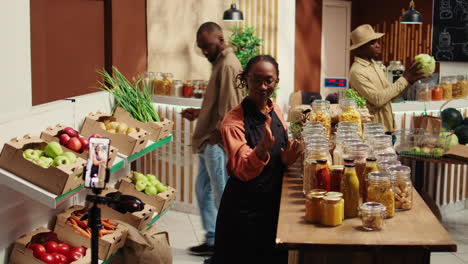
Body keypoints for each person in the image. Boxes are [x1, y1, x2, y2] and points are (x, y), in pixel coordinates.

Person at [211, 55, 303, 264]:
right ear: (246, 80)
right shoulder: (233, 121)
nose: (262, 86)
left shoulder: (276, 110)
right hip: (244, 212)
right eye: (256, 80)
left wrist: (286, 158)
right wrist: (261, 149)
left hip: (273, 205)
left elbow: (280, 156)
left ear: (276, 81)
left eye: (268, 80)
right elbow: (242, 169)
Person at [181, 22, 244, 257]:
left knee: (220, 195)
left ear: (221, 40)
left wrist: (217, 136)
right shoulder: (220, 62)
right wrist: (199, 113)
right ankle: (213, 238)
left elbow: (231, 107)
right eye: (201, 48)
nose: (205, 52)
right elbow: (220, 102)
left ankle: (225, 244)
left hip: (217, 142)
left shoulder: (227, 65)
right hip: (212, 140)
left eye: (207, 46)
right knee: (204, 190)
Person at [349, 24, 425, 133]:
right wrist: (405, 78)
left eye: (377, 41)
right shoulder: (357, 71)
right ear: (361, 48)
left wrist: (410, 81)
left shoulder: (375, 65)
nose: (378, 45)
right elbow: (378, 100)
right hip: (373, 132)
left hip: (388, 126)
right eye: (373, 43)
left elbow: (389, 95)